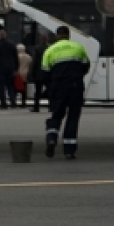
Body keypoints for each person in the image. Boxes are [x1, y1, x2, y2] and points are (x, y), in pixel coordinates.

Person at [42, 26, 91, 159]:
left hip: (58, 87)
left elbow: (45, 73)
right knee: (73, 117)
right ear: (68, 36)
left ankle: (51, 138)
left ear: (57, 36)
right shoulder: (78, 47)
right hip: (75, 86)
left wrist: (50, 87)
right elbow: (86, 65)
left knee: (56, 114)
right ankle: (69, 150)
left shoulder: (49, 51)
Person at [0, 29, 19, 109]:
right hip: (10, 68)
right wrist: (16, 68)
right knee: (10, 85)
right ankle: (13, 102)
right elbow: (15, 57)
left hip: (0, 69)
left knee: (1, 87)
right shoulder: (12, 45)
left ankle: (3, 103)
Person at [28, 33, 50, 113]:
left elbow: (34, 62)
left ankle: (36, 107)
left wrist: (31, 73)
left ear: (40, 40)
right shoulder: (50, 48)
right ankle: (51, 107)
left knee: (37, 91)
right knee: (50, 90)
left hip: (39, 73)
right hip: (48, 72)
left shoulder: (37, 48)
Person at [15, 43, 32, 107]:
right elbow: (30, 64)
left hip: (18, 74)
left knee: (16, 88)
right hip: (25, 73)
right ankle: (23, 102)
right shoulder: (28, 56)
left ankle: (14, 101)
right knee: (24, 89)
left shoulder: (16, 56)